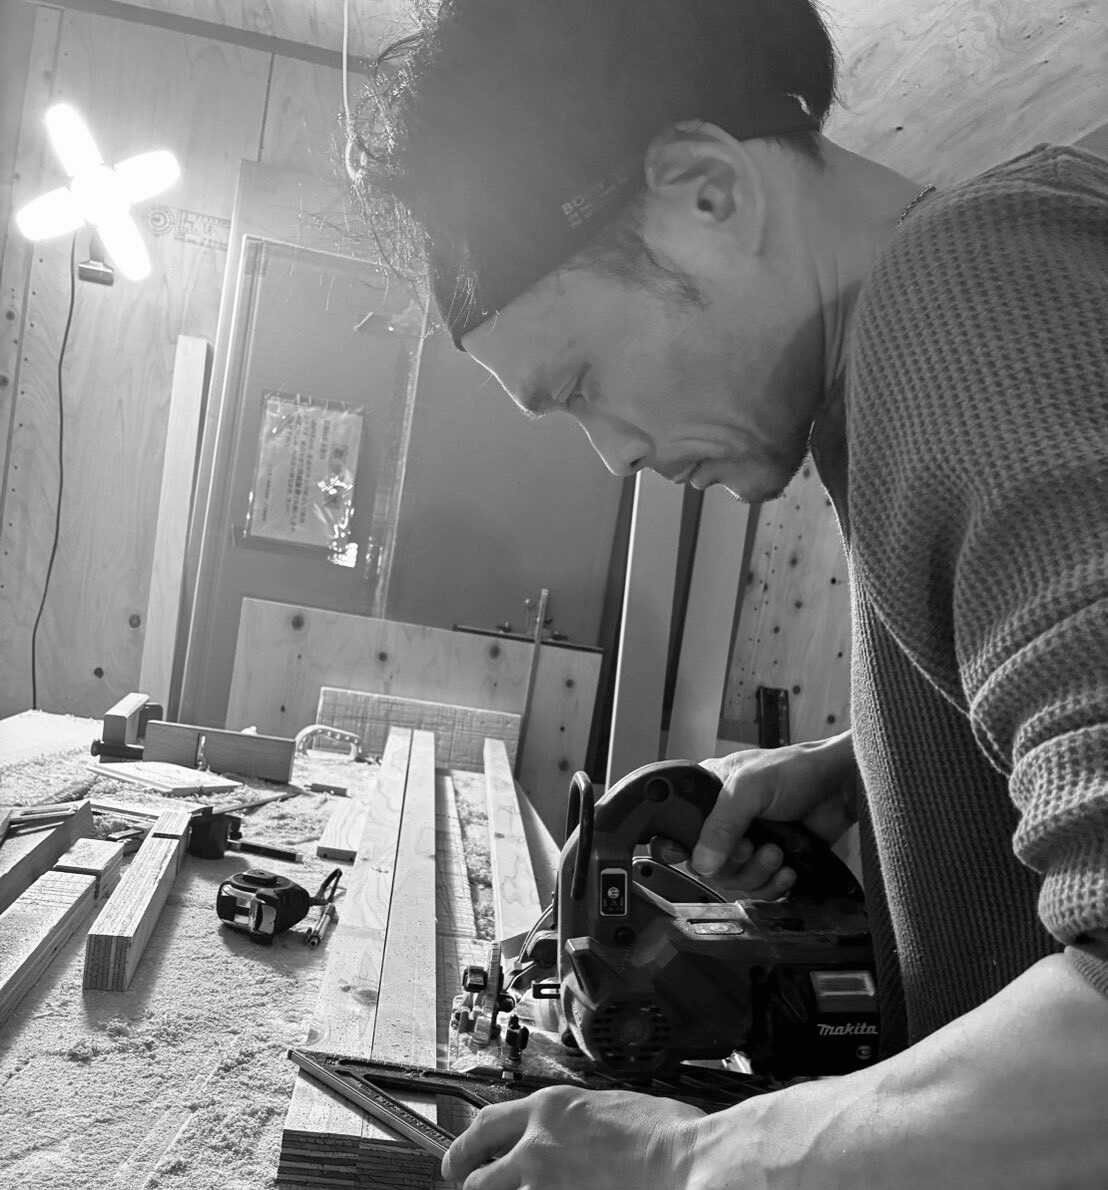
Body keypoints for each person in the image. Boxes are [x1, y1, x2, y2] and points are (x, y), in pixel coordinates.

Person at [353, 2, 1108, 1186]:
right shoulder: (915, 355)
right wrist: (883, 754)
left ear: (707, 192)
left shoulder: (963, 303)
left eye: (583, 380)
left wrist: (689, 1159)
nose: (612, 455)